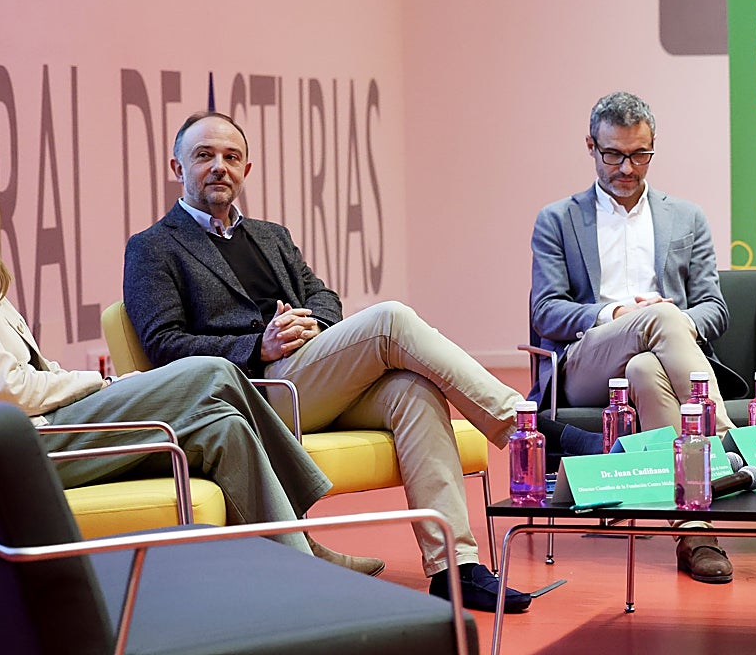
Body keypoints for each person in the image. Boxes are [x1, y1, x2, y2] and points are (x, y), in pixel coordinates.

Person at [0, 137, 384, 574]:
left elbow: (34, 373)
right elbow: (10, 390)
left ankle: (302, 557)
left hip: (47, 429)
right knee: (213, 372)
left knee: (221, 425)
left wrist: (92, 385)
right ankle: (308, 535)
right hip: (22, 450)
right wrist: (99, 384)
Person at [122, 111, 532, 613]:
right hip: (251, 392)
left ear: (247, 169)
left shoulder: (270, 236)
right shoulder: (152, 248)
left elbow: (323, 296)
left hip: (309, 379)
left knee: (413, 391)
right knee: (391, 320)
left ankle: (455, 567)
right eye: (204, 156)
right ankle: (527, 428)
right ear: (176, 166)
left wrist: (312, 323)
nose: (219, 167)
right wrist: (259, 346)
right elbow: (164, 345)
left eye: (231, 157)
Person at [529, 91, 747, 584]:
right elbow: (546, 311)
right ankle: (728, 438)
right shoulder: (559, 220)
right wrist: (619, 312)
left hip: (656, 362)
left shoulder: (685, 217)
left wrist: (675, 323)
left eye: (639, 154)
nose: (626, 167)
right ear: (590, 146)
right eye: (613, 154)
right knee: (657, 319)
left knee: (647, 366)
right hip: (586, 367)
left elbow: (715, 308)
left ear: (653, 147)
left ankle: (696, 532)